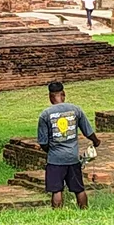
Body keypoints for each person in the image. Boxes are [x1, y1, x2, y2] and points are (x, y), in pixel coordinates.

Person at [37, 80, 98, 210]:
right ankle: (85, 210)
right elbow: (88, 131)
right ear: (63, 94)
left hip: (55, 159)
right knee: (79, 189)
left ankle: (58, 213)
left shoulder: (45, 115)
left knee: (57, 190)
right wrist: (96, 142)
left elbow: (43, 142)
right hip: (73, 157)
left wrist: (51, 151)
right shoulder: (76, 110)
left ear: (50, 97)